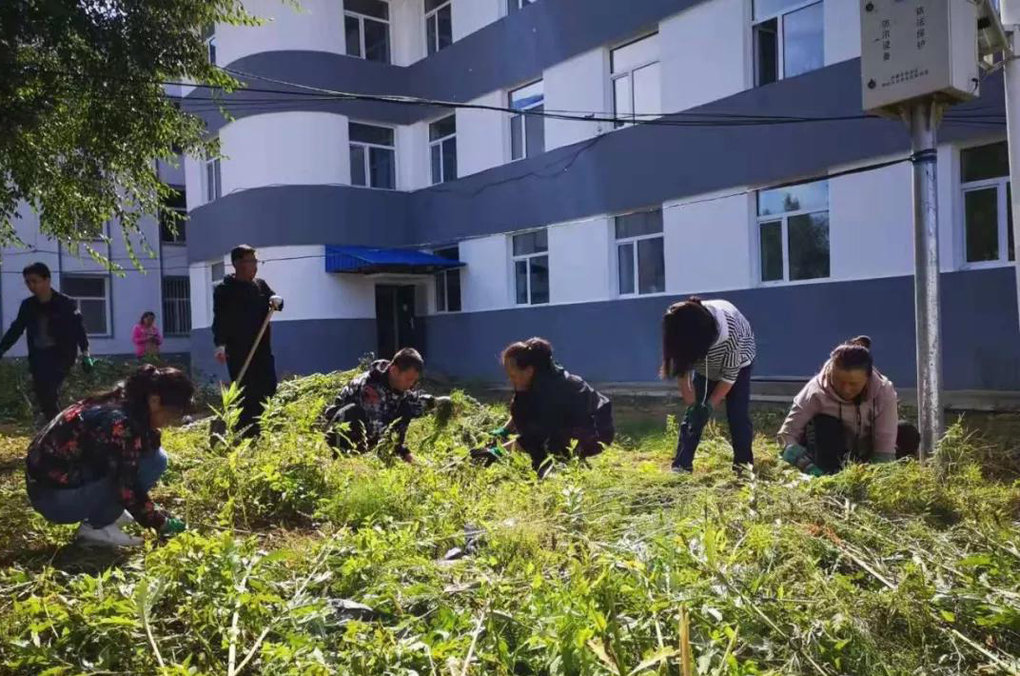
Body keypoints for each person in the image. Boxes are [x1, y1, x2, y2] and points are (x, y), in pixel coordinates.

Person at [24, 364, 192, 547]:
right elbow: (126, 487)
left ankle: (108, 512)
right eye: (171, 414)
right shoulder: (118, 423)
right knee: (130, 473)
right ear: (154, 401)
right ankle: (97, 527)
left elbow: (145, 449)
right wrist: (161, 523)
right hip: (54, 498)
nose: (170, 421)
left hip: (57, 481)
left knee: (155, 459)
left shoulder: (126, 400)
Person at [778, 336, 921, 476]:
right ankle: (830, 474)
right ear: (830, 372)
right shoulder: (815, 392)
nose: (846, 389)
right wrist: (802, 462)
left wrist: (877, 475)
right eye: (839, 381)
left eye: (853, 384)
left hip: (867, 450)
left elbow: (885, 444)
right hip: (831, 452)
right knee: (825, 423)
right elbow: (786, 434)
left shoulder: (883, 390)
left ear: (867, 378)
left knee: (906, 431)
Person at [480, 337, 614, 478]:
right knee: (545, 430)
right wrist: (505, 430)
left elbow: (534, 437)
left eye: (513, 375)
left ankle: (558, 468)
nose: (510, 380)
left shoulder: (553, 392)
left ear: (529, 370)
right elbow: (523, 408)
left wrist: (498, 451)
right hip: (577, 422)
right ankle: (565, 459)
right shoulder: (540, 374)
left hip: (597, 431)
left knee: (552, 442)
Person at [661, 297, 757, 474]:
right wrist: (693, 406)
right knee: (693, 418)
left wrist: (709, 405)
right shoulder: (683, 325)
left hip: (739, 364)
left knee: (738, 415)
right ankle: (681, 466)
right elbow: (682, 370)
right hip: (706, 366)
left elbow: (728, 378)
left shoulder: (730, 334)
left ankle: (743, 467)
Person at [321, 348, 451, 463]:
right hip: (342, 434)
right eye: (409, 379)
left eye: (414, 380)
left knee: (405, 406)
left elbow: (414, 400)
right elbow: (377, 430)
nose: (411, 385)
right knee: (352, 412)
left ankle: (387, 455)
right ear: (394, 370)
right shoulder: (370, 387)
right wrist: (403, 452)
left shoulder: (396, 384)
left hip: (367, 435)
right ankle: (340, 459)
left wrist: (437, 403)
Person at [0, 262, 93, 422]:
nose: (31, 286)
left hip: (61, 357)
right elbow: (16, 329)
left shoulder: (65, 303)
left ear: (47, 280)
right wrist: (1, 349)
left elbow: (79, 329)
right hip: (39, 357)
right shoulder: (28, 306)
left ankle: (61, 428)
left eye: (35, 281)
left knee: (50, 392)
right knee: (44, 397)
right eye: (28, 282)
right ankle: (59, 427)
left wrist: (86, 354)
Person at [212, 244, 284, 438]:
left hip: (261, 348)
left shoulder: (260, 286)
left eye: (255, 261)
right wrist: (220, 345)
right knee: (245, 392)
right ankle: (244, 434)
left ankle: (260, 428)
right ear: (237, 264)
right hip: (238, 350)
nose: (255, 266)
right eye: (250, 261)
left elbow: (276, 302)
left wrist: (277, 300)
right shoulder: (225, 290)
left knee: (268, 386)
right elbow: (219, 319)